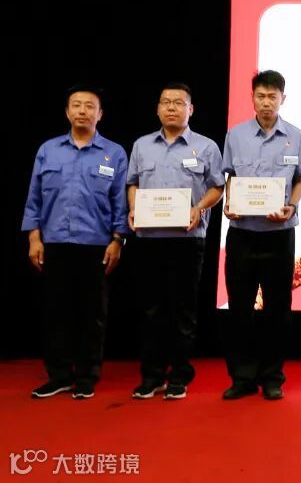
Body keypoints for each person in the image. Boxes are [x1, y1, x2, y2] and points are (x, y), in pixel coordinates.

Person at [22, 86, 128, 399]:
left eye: (89, 106)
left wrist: (118, 240)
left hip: (96, 244)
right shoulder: (48, 150)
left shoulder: (114, 153)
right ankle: (58, 376)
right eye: (76, 105)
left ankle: (86, 376)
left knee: (92, 314)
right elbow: (34, 198)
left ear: (100, 114)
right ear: (67, 112)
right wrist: (33, 237)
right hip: (54, 242)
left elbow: (120, 202)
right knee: (55, 312)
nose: (83, 111)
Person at [125, 83, 224, 400]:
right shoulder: (142, 145)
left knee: (183, 310)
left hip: (188, 238)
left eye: (179, 102)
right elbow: (132, 183)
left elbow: (218, 187)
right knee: (151, 309)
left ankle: (180, 375)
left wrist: (199, 207)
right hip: (149, 238)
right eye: (165, 102)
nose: (171, 107)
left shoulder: (206, 147)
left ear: (190, 110)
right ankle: (151, 376)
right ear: (157, 108)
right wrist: (134, 208)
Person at [221, 70, 301, 401]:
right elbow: (230, 177)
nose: (266, 102)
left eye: (273, 96)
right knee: (240, 308)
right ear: (252, 99)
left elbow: (300, 180)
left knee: (277, 309)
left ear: (283, 99)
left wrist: (292, 205)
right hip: (242, 233)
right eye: (261, 96)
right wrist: (230, 203)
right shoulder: (236, 135)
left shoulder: (296, 136)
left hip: (279, 234)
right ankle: (242, 377)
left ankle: (272, 377)